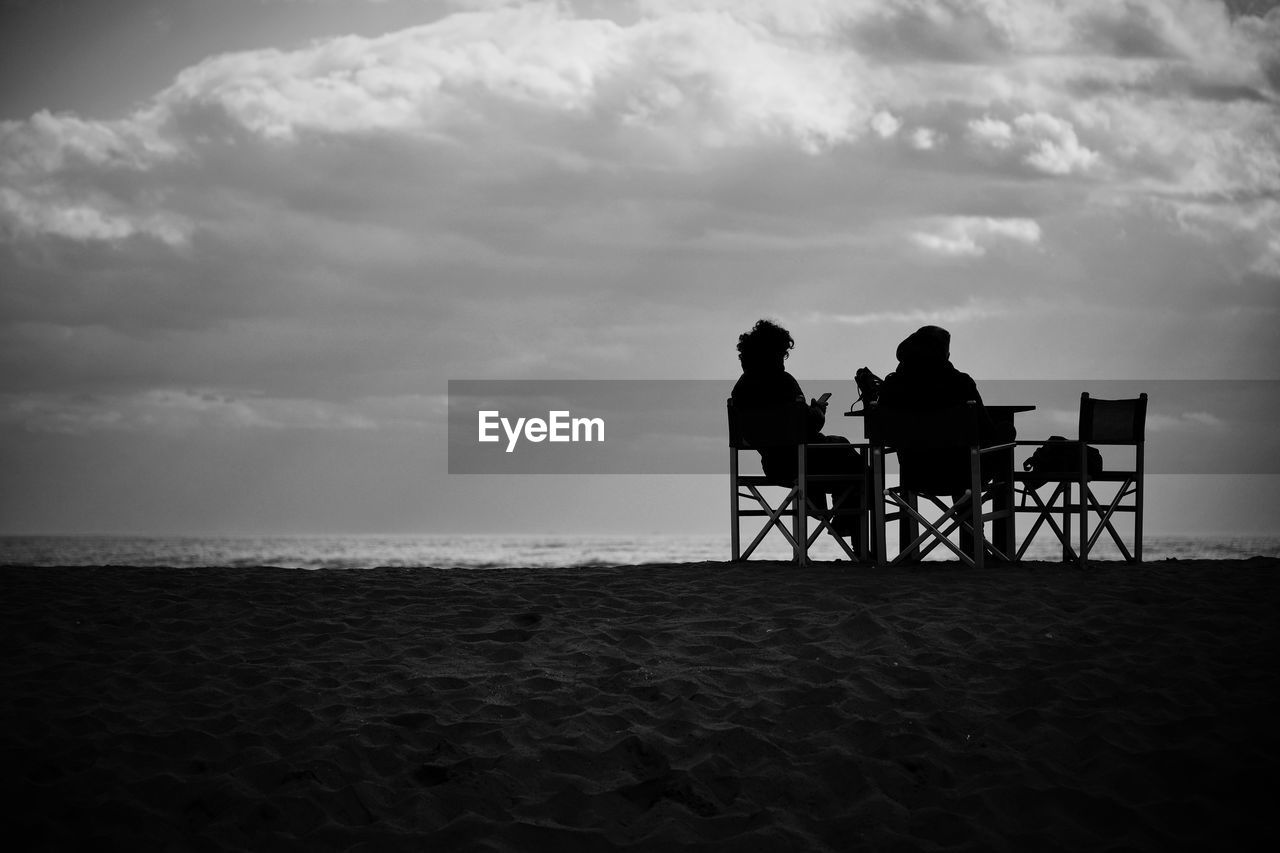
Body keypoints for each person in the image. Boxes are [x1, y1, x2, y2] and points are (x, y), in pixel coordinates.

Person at [731, 319, 864, 539]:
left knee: (840, 451)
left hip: (774, 467)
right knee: (854, 461)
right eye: (783, 353)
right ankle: (848, 526)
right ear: (776, 353)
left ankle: (823, 505)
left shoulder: (741, 389)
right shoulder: (783, 382)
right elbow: (807, 426)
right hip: (804, 463)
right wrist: (818, 411)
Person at [877, 325, 1014, 494]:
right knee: (1004, 430)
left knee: (959, 450)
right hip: (962, 475)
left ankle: (965, 513)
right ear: (945, 355)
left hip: (915, 475)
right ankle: (972, 514)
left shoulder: (891, 386)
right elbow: (985, 431)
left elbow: (883, 431)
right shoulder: (961, 383)